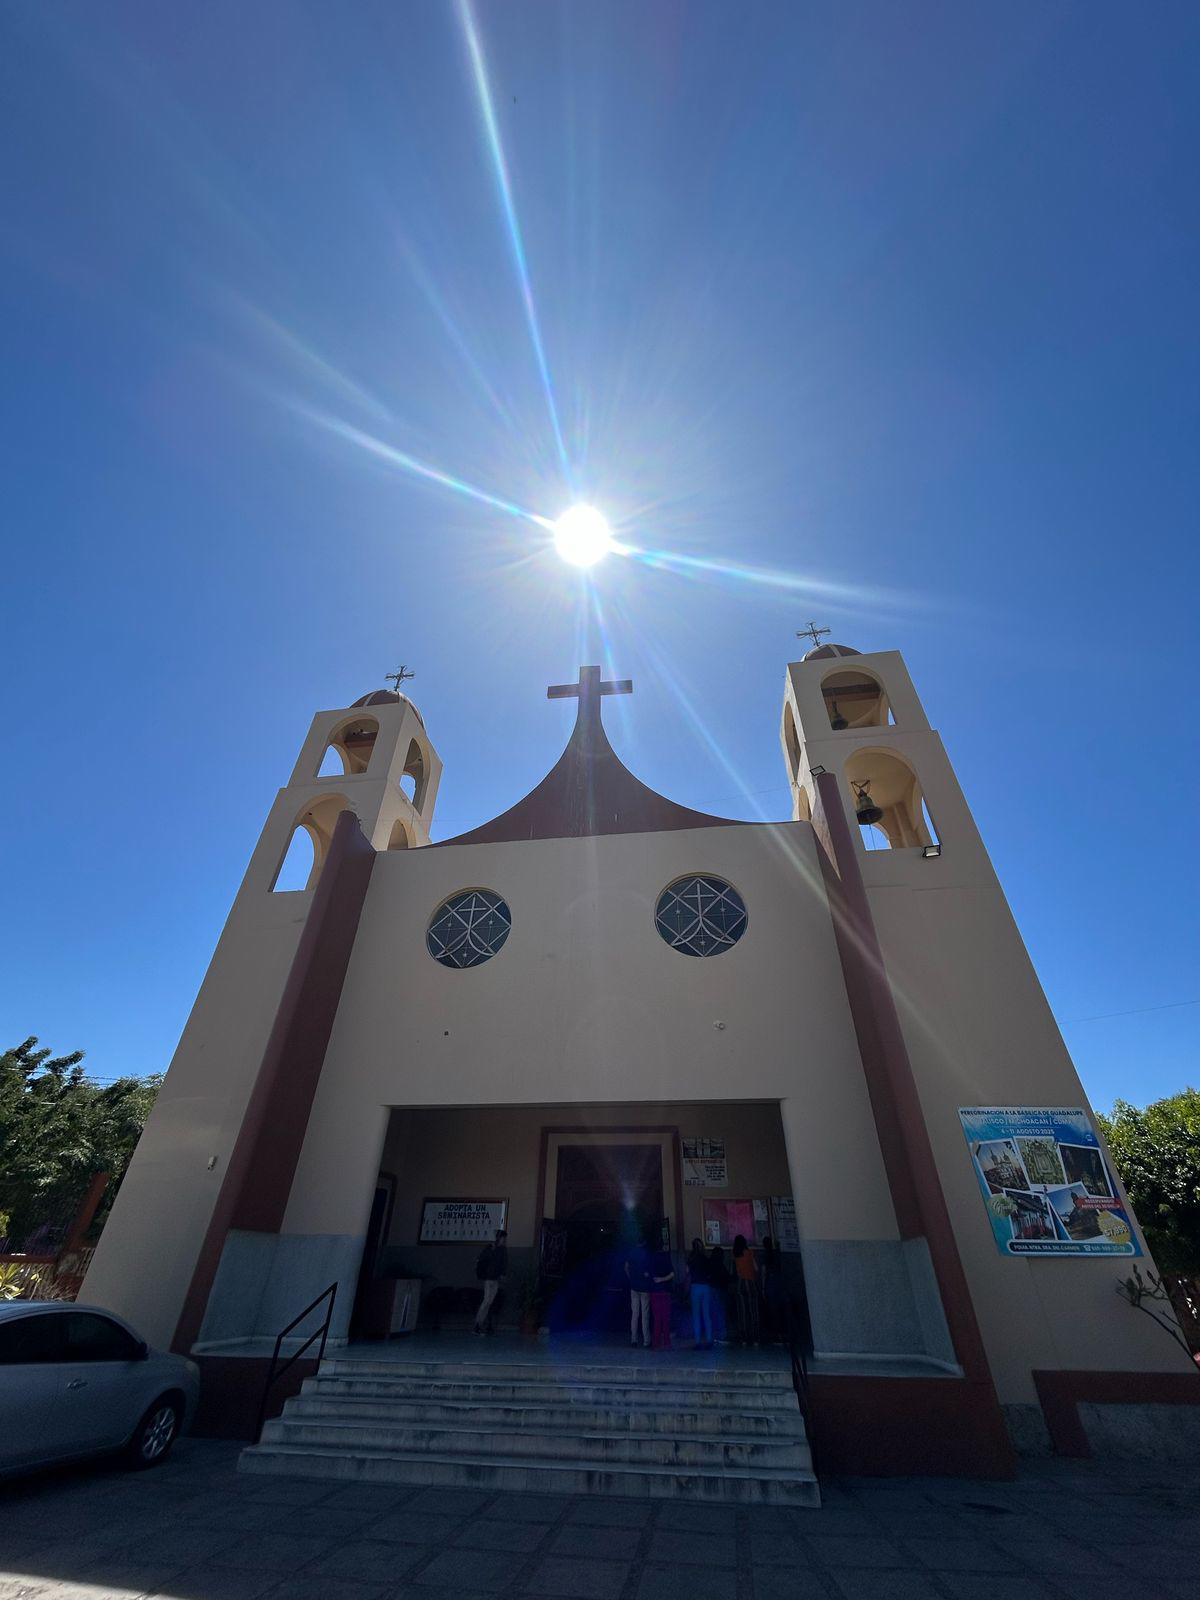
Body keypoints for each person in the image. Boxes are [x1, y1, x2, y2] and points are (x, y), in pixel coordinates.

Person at [474, 1227, 508, 1335]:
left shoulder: (503, 1250)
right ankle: (477, 1325)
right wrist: (491, 1250)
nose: (504, 1240)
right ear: (499, 1238)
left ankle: (480, 1324)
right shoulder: (490, 1248)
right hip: (489, 1278)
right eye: (503, 1238)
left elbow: (504, 1263)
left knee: (489, 1302)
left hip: (496, 1279)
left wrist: (503, 1275)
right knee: (486, 1301)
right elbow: (481, 1258)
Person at [624, 1235, 653, 1348]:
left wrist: (630, 1278)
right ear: (644, 1242)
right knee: (645, 1314)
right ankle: (646, 1340)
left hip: (634, 1286)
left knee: (634, 1314)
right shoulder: (646, 1253)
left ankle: (633, 1339)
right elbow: (650, 1269)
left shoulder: (631, 1252)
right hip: (644, 1287)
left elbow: (626, 1267)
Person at [732, 1234, 760, 1345]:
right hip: (750, 1282)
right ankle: (755, 1338)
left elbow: (732, 1270)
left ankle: (743, 1338)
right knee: (753, 1310)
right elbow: (756, 1268)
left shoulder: (734, 1254)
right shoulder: (750, 1253)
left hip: (740, 1283)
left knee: (742, 1311)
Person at [686, 1237, 714, 1348]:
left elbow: (687, 1272)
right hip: (705, 1287)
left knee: (696, 1315)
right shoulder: (705, 1258)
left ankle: (697, 1341)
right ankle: (709, 1339)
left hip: (695, 1286)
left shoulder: (690, 1259)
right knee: (706, 1314)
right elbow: (710, 1273)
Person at [759, 1235, 785, 1343]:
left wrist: (763, 1287)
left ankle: (776, 1334)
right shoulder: (776, 1254)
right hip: (779, 1282)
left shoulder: (765, 1256)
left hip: (770, 1283)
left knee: (772, 1309)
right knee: (780, 1308)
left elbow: (764, 1272)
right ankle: (782, 1333)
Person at [650, 1242, 675, 1350]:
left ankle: (656, 1343)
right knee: (665, 1318)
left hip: (654, 1291)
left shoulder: (651, 1259)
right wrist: (663, 1279)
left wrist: (656, 1279)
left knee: (656, 1318)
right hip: (665, 1291)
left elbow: (647, 1274)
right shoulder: (666, 1258)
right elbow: (672, 1274)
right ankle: (667, 1342)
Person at [707, 1241, 730, 1342]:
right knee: (721, 1312)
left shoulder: (710, 1263)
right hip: (720, 1290)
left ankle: (712, 1335)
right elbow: (726, 1277)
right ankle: (721, 1335)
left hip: (711, 1289)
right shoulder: (721, 1265)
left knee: (712, 1312)